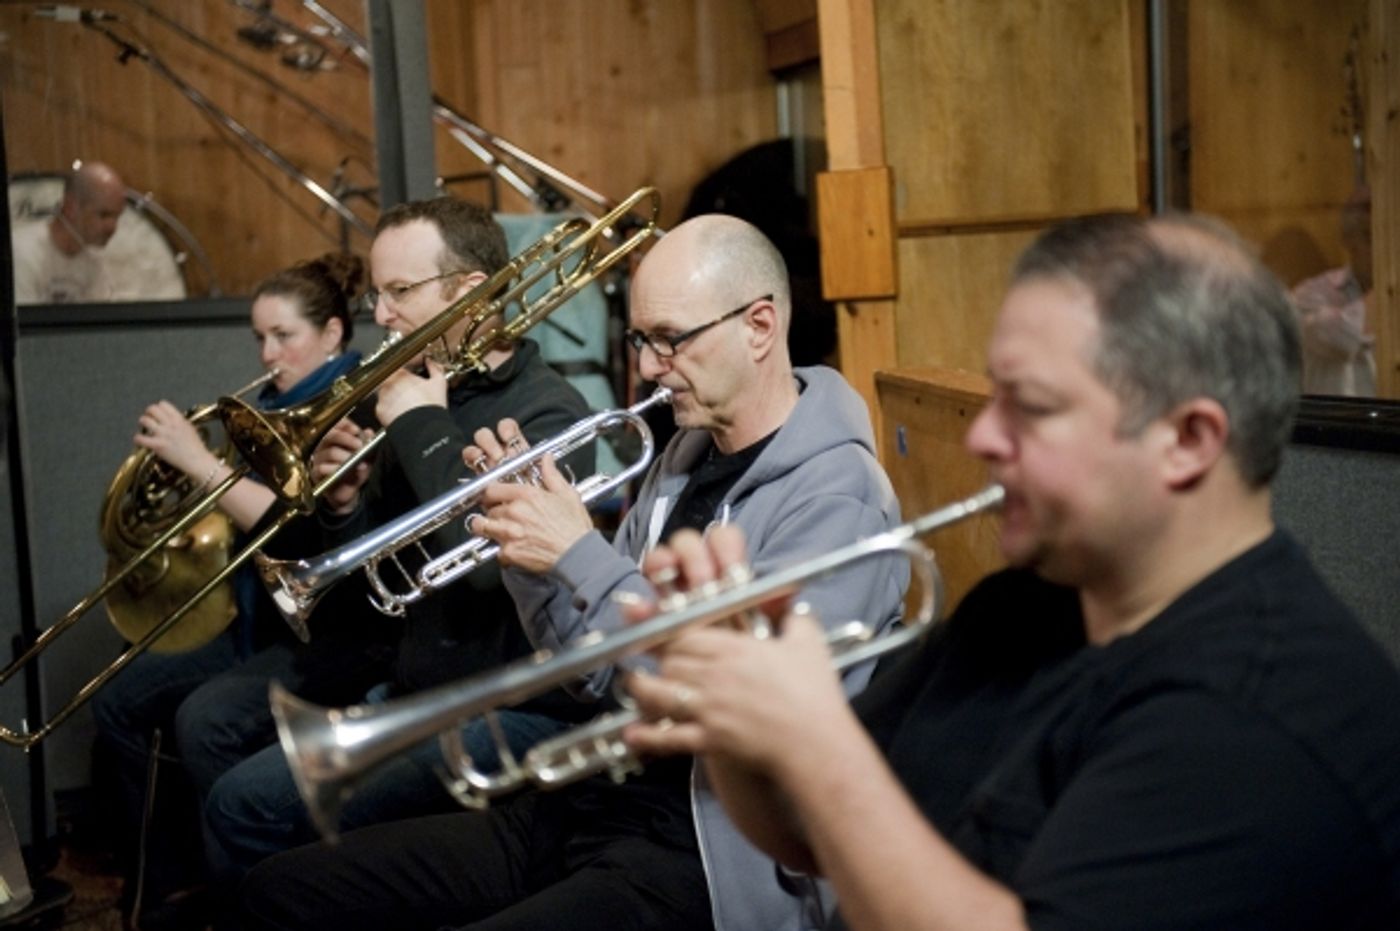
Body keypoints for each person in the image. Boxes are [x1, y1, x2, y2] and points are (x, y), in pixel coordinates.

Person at [622, 212, 1400, 930]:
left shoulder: (1259, 718)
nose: (984, 437)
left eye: (1029, 405)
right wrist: (731, 700)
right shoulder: (1022, 607)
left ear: (1189, 440)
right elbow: (801, 833)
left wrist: (816, 742)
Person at [237, 214, 911, 931]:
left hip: (704, 851)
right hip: (589, 800)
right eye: (642, 341)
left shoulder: (838, 496)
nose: (649, 367)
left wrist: (576, 552)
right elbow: (594, 670)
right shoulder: (680, 460)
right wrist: (523, 543)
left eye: (670, 340)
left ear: (759, 326)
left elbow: (724, 698)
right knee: (278, 891)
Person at [189, 196, 595, 894]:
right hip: (412, 686)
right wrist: (343, 507)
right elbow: (359, 584)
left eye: (400, 291)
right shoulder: (412, 395)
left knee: (245, 807)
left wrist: (423, 426)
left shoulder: (547, 409)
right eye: (378, 293)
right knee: (239, 792)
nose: (381, 314)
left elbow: (484, 574)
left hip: (507, 706)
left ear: (469, 292)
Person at [90, 251, 367, 923]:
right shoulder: (268, 406)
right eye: (259, 337)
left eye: (284, 336)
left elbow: (289, 527)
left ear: (332, 334)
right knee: (118, 701)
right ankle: (170, 879)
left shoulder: (346, 402)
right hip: (252, 616)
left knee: (203, 717)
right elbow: (237, 520)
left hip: (324, 633)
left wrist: (199, 461)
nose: (269, 352)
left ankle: (241, 894)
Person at [1291, 185, 1376, 395]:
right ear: (1348, 239)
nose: (1379, 248)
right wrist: (1389, 287)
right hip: (1333, 425)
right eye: (1370, 237)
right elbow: (1346, 336)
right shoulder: (1309, 294)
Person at [12, 160, 126, 304]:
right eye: (104, 215)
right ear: (71, 207)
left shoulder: (93, 264)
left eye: (117, 217)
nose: (112, 227)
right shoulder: (21, 253)